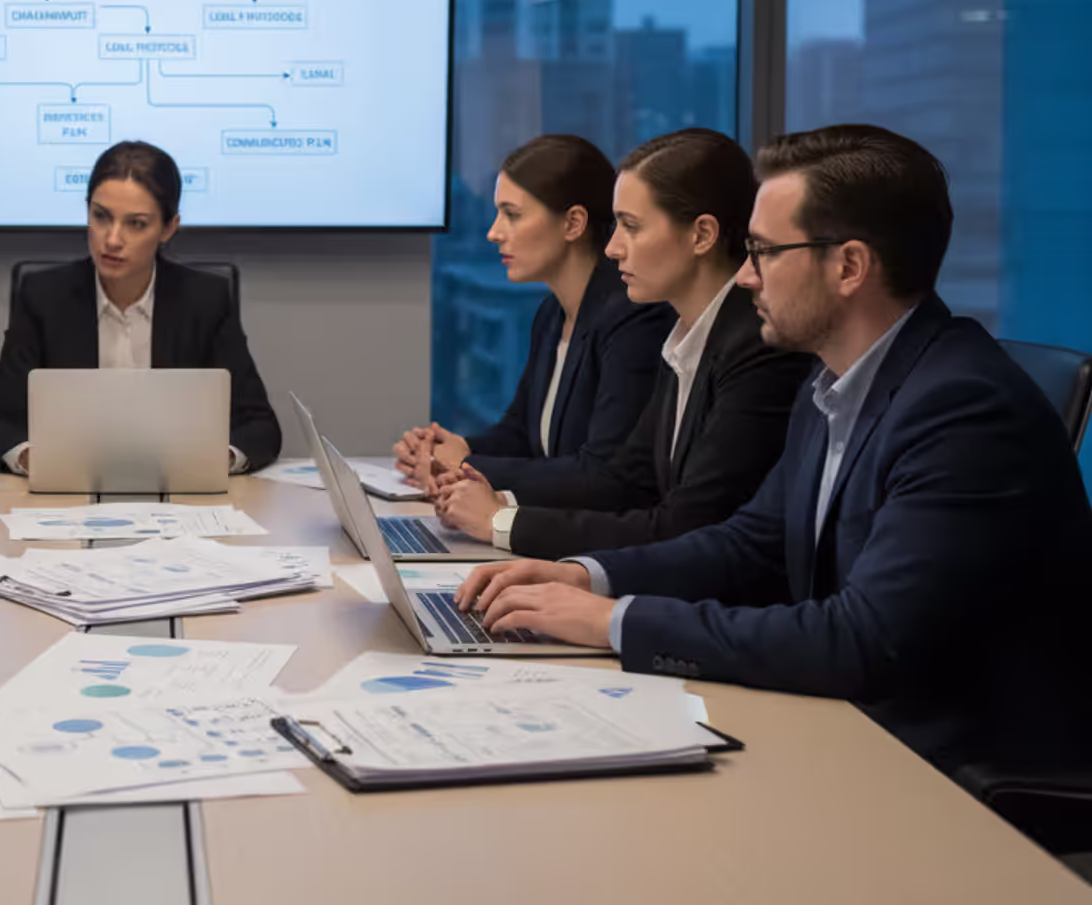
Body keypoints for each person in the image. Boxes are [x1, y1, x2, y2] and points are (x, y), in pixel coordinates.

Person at [455, 125, 1092, 775]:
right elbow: (751, 542)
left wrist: (614, 621)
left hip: (959, 780)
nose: (746, 276)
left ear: (848, 266)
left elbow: (861, 640)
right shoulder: (836, 378)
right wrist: (586, 575)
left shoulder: (962, 408)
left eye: (762, 252)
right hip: (860, 729)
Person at [428, 129, 815, 560]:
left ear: (702, 235)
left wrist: (500, 519)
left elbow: (682, 523)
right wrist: (494, 502)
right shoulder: (687, 334)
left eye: (631, 227)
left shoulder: (752, 346)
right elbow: (632, 480)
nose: (612, 248)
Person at [391, 134, 675, 494]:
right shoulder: (552, 313)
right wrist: (456, 450)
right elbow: (521, 433)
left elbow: (603, 472)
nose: (494, 232)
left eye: (512, 215)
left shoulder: (632, 319)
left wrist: (464, 467)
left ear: (573, 223)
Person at [0, 139, 280, 473]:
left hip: (178, 495)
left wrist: (211, 460)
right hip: (68, 496)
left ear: (168, 228)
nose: (112, 239)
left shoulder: (205, 300)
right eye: (101, 216)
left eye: (136, 223)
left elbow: (259, 427)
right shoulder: (44, 297)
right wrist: (34, 458)